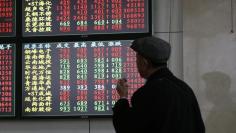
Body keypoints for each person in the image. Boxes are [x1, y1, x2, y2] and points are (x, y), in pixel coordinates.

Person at [112, 36, 205, 133]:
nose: (136, 63)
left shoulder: (147, 94)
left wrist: (123, 97)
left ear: (145, 62)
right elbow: (199, 128)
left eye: (137, 59)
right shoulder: (185, 89)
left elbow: (126, 128)